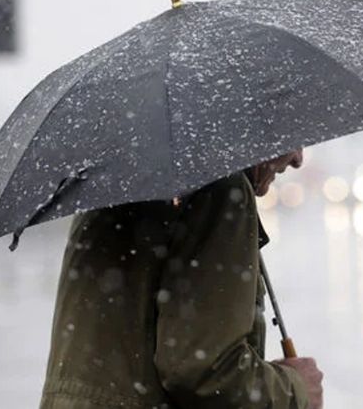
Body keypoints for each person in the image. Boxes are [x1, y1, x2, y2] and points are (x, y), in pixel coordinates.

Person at [40, 149, 324, 408]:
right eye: (293, 141)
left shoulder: (114, 184)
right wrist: (295, 390)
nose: (298, 158)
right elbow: (202, 369)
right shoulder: (219, 188)